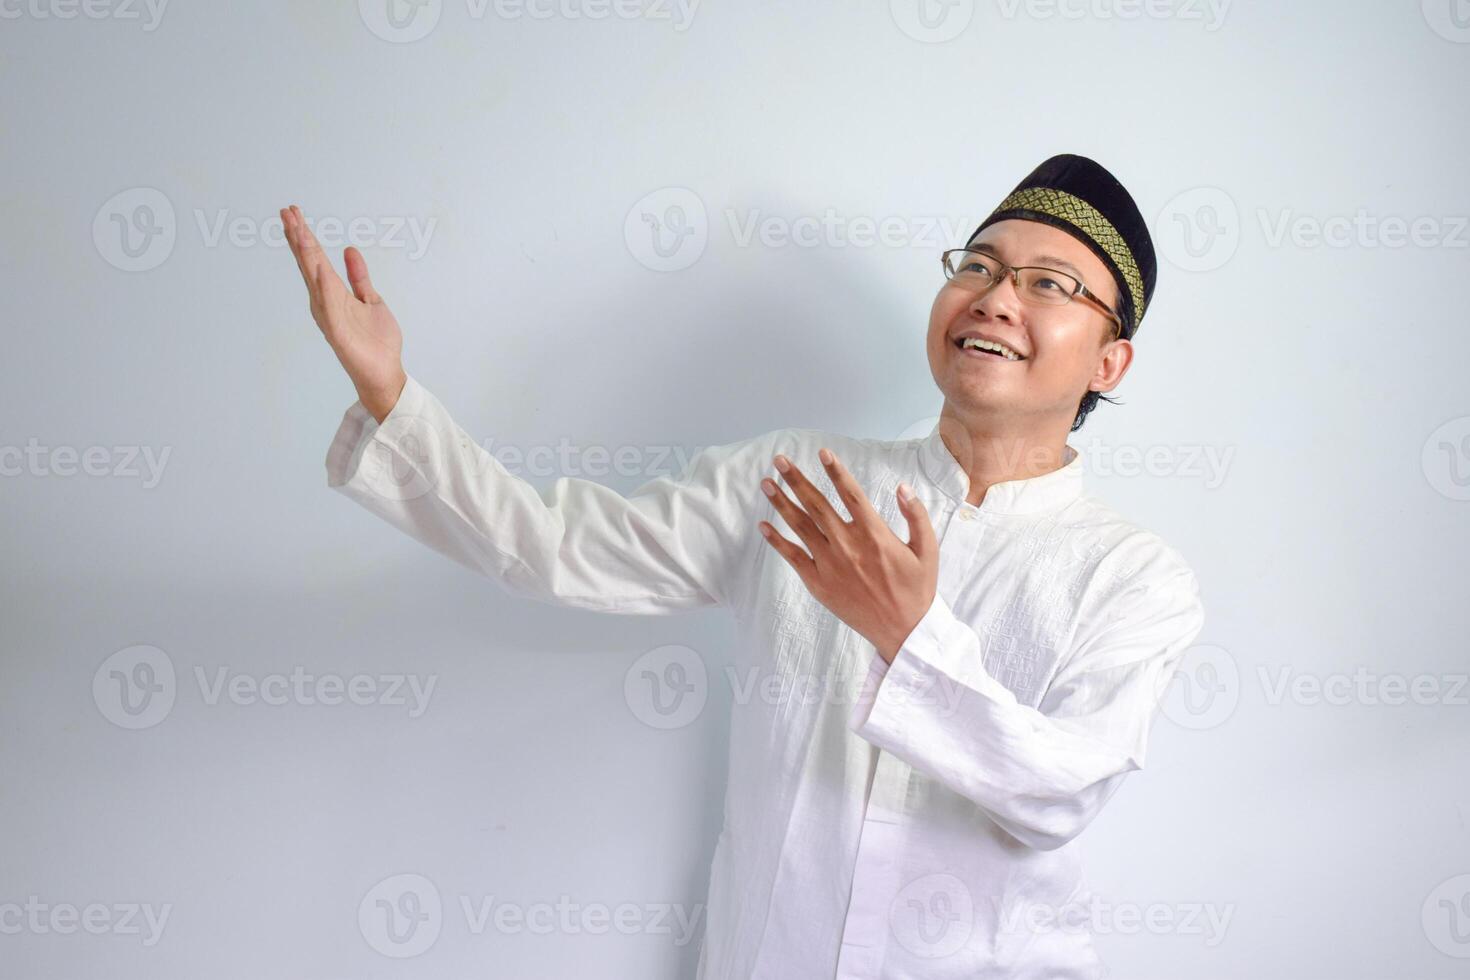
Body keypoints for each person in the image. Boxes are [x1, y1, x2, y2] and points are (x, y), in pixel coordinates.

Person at [281, 152, 1206, 979]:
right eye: (978, 265)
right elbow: (554, 547)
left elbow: (1060, 793)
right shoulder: (801, 480)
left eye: (1050, 284)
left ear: (1110, 362)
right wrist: (393, 396)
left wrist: (907, 637)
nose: (997, 297)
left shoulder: (1132, 578)